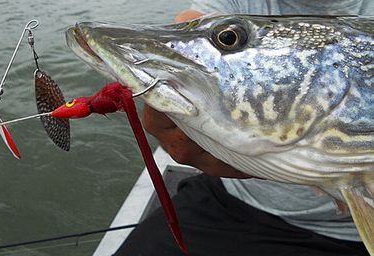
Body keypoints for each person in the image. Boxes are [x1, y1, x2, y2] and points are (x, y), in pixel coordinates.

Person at [114, 1, 373, 255]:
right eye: (229, 38)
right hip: (231, 203)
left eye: (229, 39)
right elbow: (190, 24)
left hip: (349, 235)